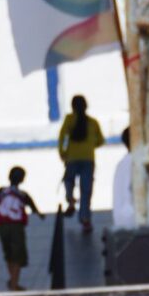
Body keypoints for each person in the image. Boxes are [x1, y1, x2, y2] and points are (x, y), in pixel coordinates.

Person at [56, 95, 104, 233]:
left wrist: (63, 153)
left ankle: (70, 199)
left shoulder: (69, 120)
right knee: (86, 190)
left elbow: (63, 139)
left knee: (68, 180)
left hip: (71, 158)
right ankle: (85, 220)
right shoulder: (93, 122)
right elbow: (100, 141)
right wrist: (90, 146)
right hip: (88, 159)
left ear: (72, 107)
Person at [0, 166, 40, 291]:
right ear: (22, 179)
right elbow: (35, 209)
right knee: (17, 255)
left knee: (9, 254)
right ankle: (14, 283)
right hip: (16, 227)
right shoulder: (23, 195)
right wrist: (41, 215)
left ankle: (13, 281)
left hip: (2, 227)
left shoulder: (2, 191)